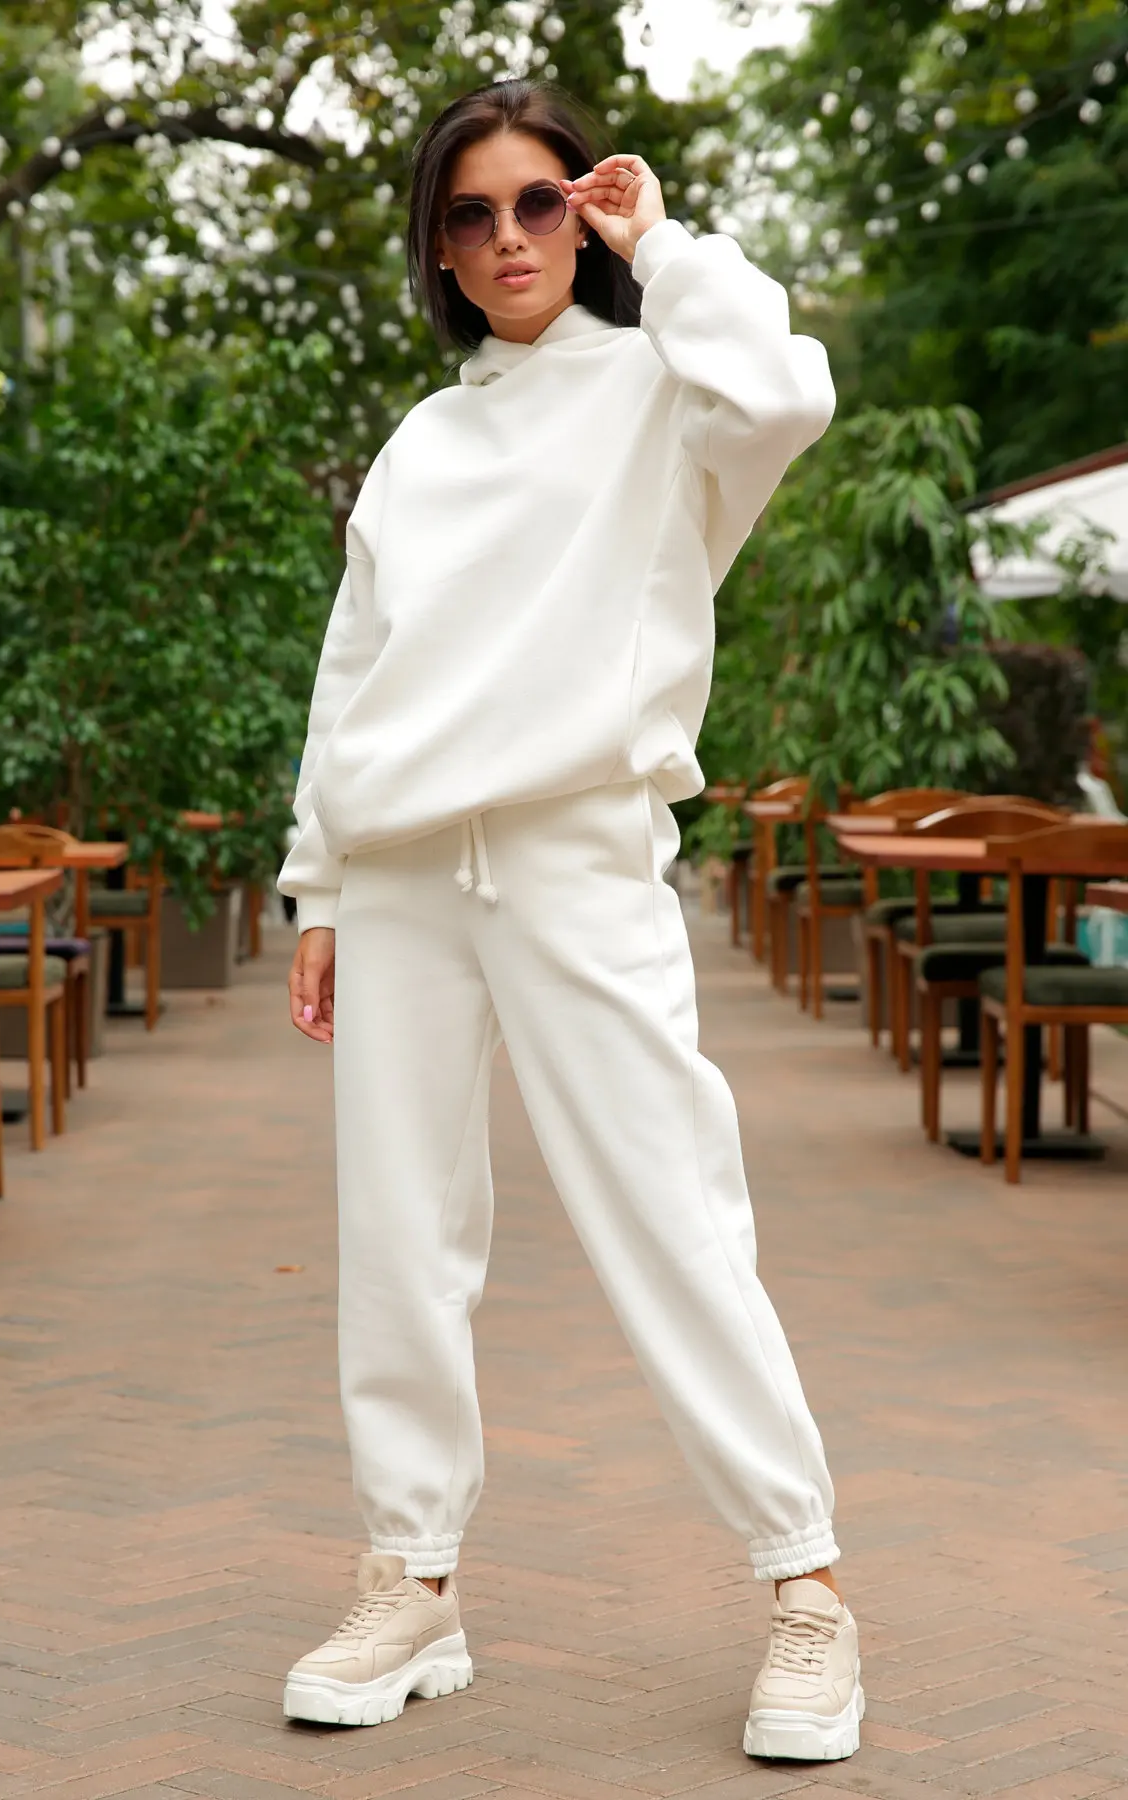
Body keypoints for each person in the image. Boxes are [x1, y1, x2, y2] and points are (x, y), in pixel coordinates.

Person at [277, 78, 863, 1765]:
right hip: (402, 870)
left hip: (578, 850)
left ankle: (807, 1586)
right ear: (440, 251)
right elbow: (353, 670)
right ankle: (412, 1579)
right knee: (398, 1234)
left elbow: (792, 389)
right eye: (471, 214)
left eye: (542, 201)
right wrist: (320, 883)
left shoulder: (668, 387)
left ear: (585, 214)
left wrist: (657, 242)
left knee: (668, 1204)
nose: (510, 238)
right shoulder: (421, 444)